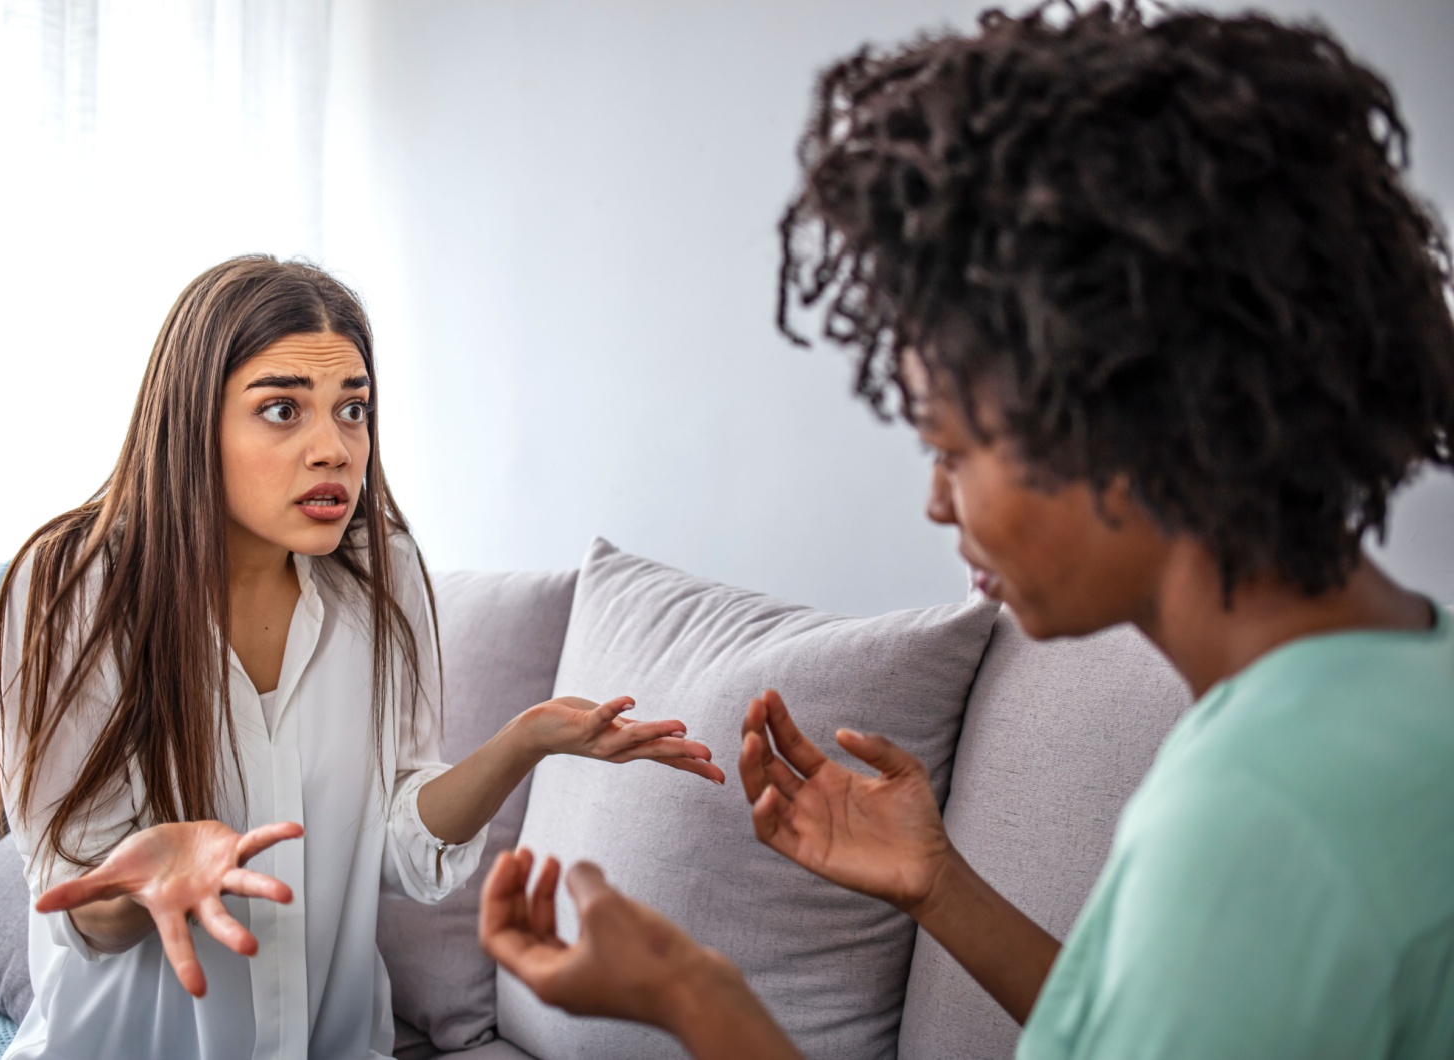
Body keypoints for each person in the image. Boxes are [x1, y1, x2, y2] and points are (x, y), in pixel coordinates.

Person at [479, 4, 1454, 1058]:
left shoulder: (1261, 814)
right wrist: (937, 883)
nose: (937, 502)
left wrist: (692, 996)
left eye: (949, 446)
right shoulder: (1383, 685)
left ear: (1118, 422)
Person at [0, 256, 725, 1059]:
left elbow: (405, 848)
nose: (334, 448)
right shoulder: (75, 586)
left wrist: (525, 743)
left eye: (353, 409)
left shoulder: (383, 573)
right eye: (281, 409)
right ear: (191, 420)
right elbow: (75, 903)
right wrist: (137, 879)